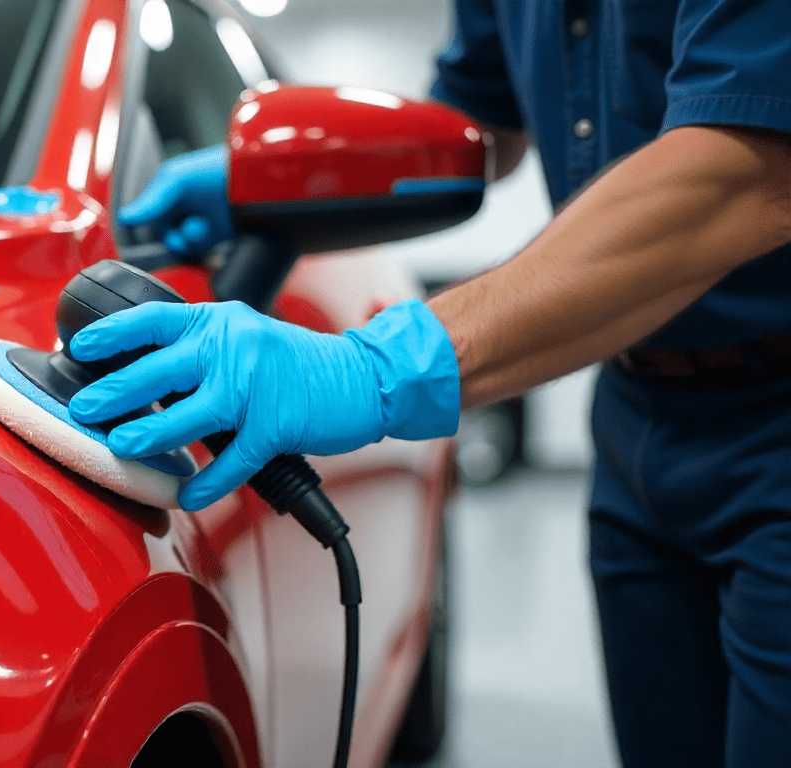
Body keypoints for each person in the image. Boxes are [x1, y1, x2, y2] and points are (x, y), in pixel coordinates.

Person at [65, 1, 791, 765]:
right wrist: (284, 175)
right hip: (634, 411)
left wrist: (373, 369)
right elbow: (474, 130)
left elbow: (749, 170)